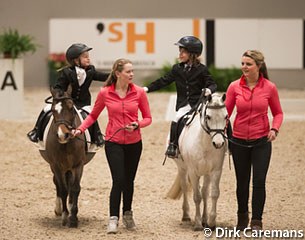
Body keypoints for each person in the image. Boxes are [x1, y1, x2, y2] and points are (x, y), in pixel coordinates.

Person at [72, 58, 152, 234]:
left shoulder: (139, 92)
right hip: (113, 142)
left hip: (134, 143)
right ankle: (113, 218)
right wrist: (80, 129)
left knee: (129, 181)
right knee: (118, 180)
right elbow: (93, 116)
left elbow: (148, 118)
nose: (132, 74)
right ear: (118, 73)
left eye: (132, 71)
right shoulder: (105, 93)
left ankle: (128, 214)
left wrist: (138, 124)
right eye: (128, 72)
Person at [225, 50, 284, 230]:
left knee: (258, 181)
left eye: (248, 64)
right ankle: (242, 218)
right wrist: (222, 130)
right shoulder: (234, 86)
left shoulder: (269, 87)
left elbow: (278, 113)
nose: (244, 67)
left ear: (258, 66)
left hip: (261, 142)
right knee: (241, 183)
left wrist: (274, 129)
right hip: (239, 141)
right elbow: (225, 114)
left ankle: (256, 221)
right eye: (242, 63)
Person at [144, 36, 217, 158]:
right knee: (176, 119)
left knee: (217, 116)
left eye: (183, 51)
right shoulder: (177, 69)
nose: (180, 54)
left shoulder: (202, 69)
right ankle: (173, 145)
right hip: (184, 104)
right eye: (180, 51)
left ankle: (228, 142)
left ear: (192, 53)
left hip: (198, 104)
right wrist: (147, 88)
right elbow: (164, 81)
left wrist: (209, 90)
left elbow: (212, 83)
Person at [27, 43, 109, 147]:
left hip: (82, 103)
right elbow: (58, 86)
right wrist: (60, 95)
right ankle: (36, 131)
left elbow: (102, 76)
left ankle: (97, 136)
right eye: (85, 57)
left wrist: (114, 75)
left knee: (90, 114)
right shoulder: (66, 72)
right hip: (66, 102)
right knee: (46, 109)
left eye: (88, 57)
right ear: (75, 60)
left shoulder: (91, 70)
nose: (88, 59)